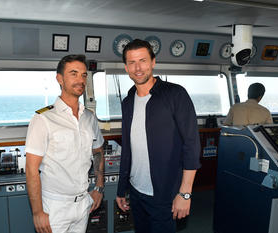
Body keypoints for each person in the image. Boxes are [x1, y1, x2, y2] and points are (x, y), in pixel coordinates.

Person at [116, 39, 201, 233]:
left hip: (165, 194)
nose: (138, 68)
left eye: (143, 60)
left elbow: (192, 145)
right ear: (126, 67)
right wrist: (122, 189)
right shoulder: (128, 101)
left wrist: (185, 194)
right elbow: (128, 149)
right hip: (136, 191)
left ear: (153, 62)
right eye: (132, 62)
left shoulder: (175, 94)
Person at [25, 54, 105, 233]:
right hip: (55, 207)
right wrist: (38, 212)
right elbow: (31, 169)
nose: (80, 80)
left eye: (84, 75)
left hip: (83, 203)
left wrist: (99, 187)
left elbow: (98, 152)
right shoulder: (43, 118)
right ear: (59, 79)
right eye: (74, 74)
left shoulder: (89, 117)